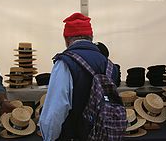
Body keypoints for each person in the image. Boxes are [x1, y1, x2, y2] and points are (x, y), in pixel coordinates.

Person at [39, 12, 119, 141]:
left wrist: (49, 138)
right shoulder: (110, 65)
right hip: (104, 136)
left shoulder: (65, 63)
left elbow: (55, 112)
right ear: (91, 37)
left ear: (66, 39)